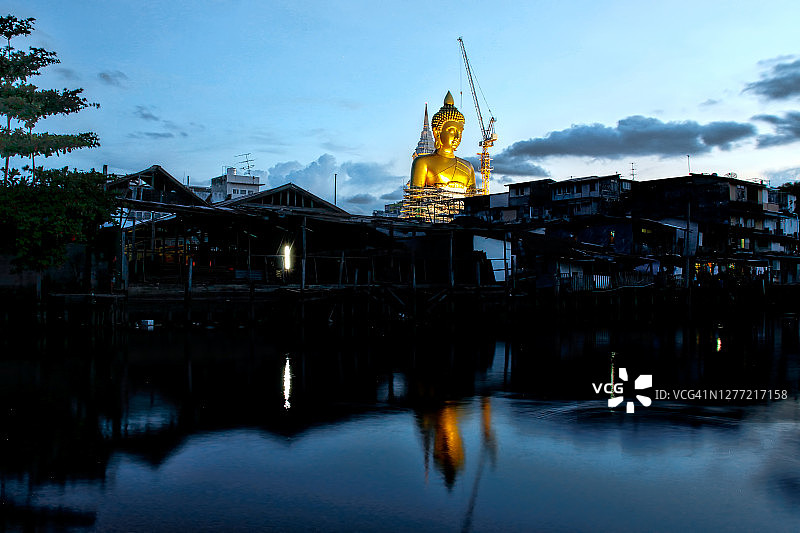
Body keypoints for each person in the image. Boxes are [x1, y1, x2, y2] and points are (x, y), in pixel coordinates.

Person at [410, 91, 476, 189]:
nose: (457, 137)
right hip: (432, 204)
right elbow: (416, 199)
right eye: (452, 131)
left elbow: (473, 201)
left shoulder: (468, 167)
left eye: (460, 132)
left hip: (463, 205)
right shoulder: (423, 162)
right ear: (437, 132)